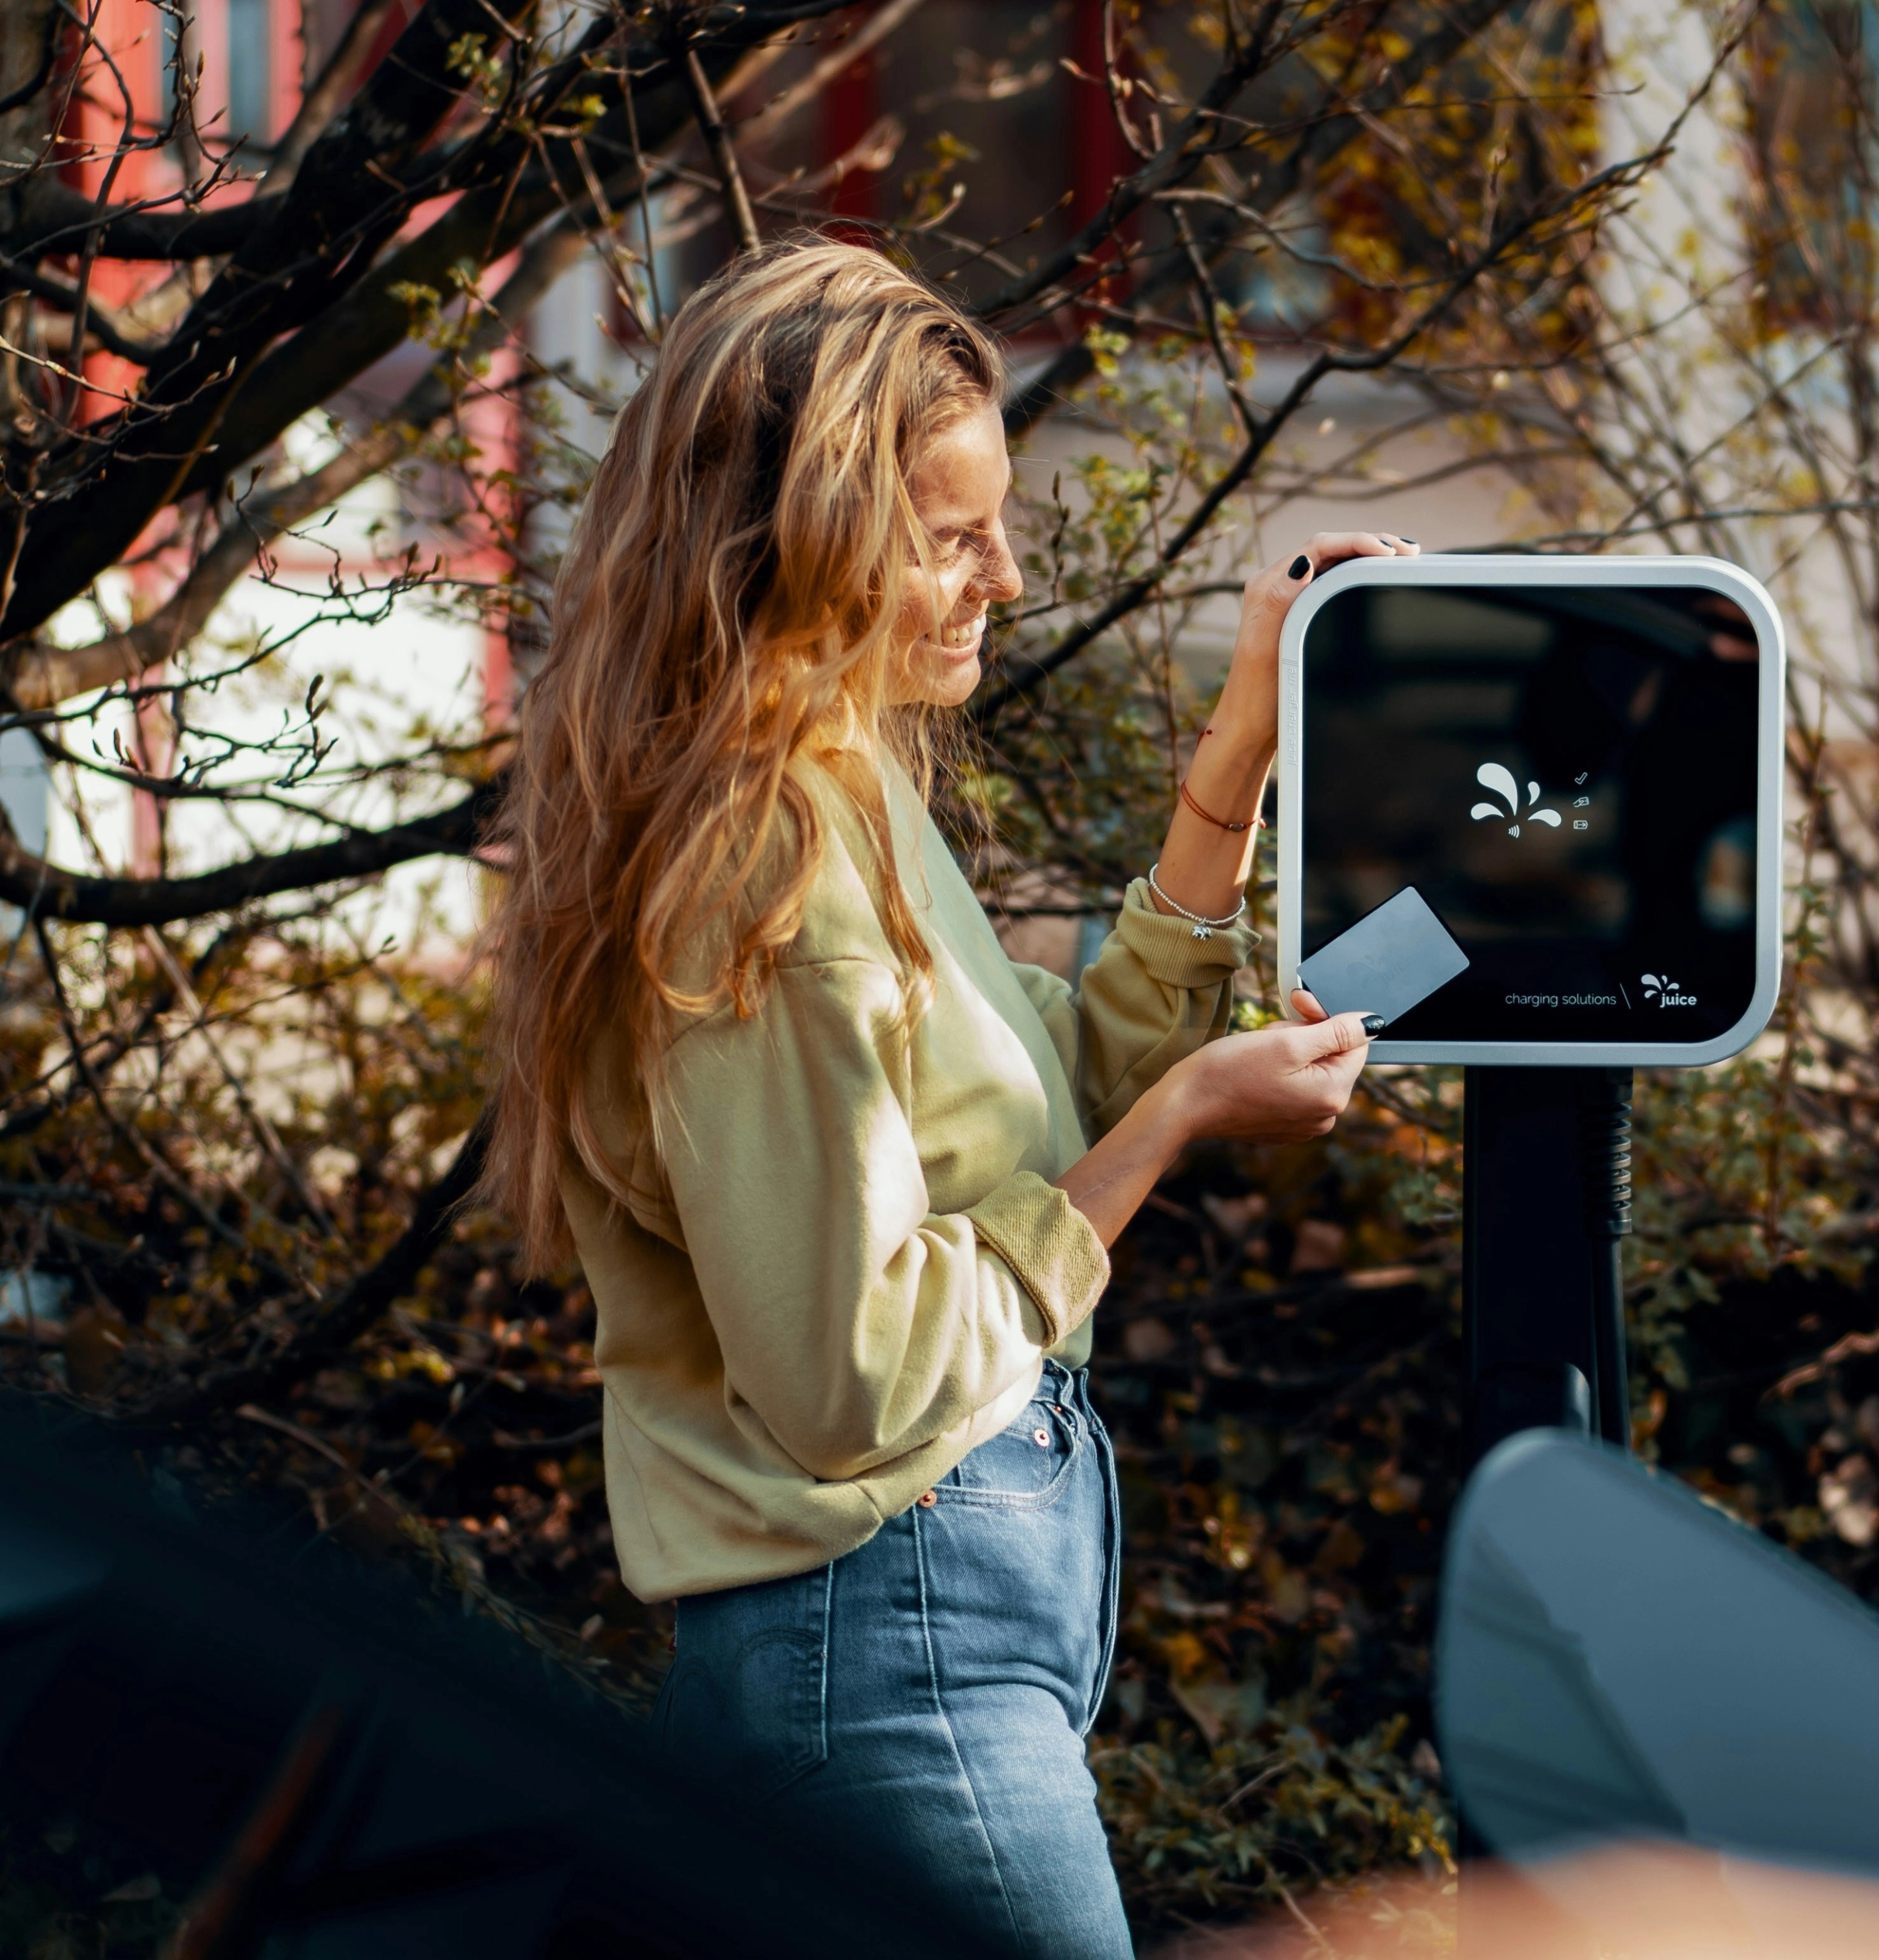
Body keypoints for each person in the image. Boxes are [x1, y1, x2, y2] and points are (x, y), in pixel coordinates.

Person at [480, 237, 1409, 1958]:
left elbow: (1057, 1090)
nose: (1003, 573)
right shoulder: (762, 860)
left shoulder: (837, 802)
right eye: (948, 534)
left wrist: (1243, 740)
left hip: (894, 1646)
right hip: (886, 1644)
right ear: (808, 539)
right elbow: (856, 1380)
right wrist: (1183, 1120)